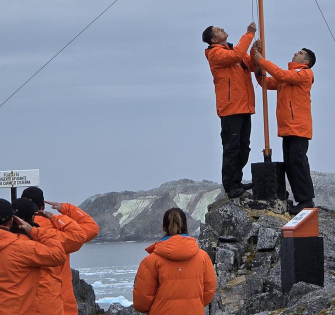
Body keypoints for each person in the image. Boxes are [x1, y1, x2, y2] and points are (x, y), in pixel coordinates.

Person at [253, 44, 317, 215]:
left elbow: (280, 74)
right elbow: (267, 82)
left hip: (298, 127)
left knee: (298, 162)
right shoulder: (289, 77)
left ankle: (306, 199)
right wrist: (258, 69)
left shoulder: (304, 74)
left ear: (306, 61)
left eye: (301, 53)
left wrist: (262, 61)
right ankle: (302, 199)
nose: (296, 53)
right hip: (288, 127)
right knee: (291, 163)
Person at [21, 186, 100, 315]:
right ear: (42, 206)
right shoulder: (58, 232)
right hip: (60, 302)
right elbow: (91, 228)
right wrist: (64, 209)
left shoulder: (11, 230)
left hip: (22, 303)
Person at [203, 22, 258, 198]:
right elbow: (237, 56)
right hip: (231, 107)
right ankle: (231, 186)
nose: (222, 29)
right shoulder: (215, 53)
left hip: (243, 106)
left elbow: (249, 64)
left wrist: (254, 51)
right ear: (213, 39)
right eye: (217, 30)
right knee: (232, 148)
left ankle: (237, 180)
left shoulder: (232, 51)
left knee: (243, 148)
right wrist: (249, 35)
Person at [132, 208, 216, 314]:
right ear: (186, 226)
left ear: (163, 227)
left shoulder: (150, 261)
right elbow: (209, 291)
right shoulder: (203, 257)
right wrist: (194, 304)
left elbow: (141, 302)